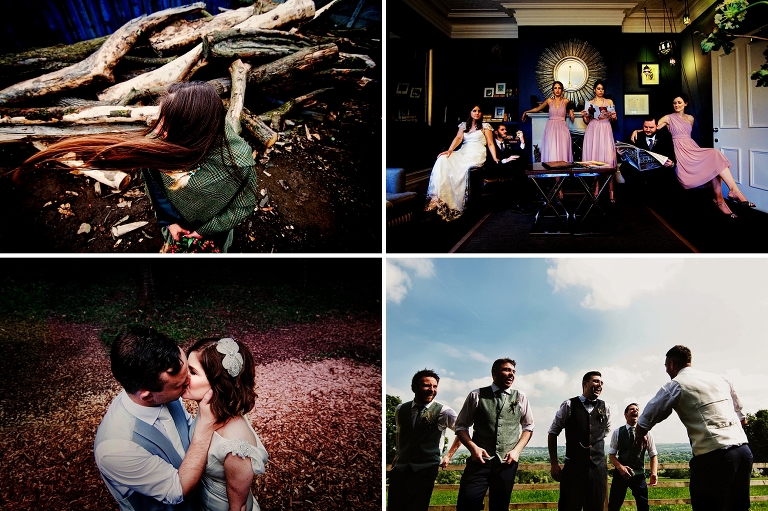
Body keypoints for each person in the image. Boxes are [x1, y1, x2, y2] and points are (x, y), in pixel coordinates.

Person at [17, 81, 259, 252]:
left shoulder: (239, 161)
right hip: (175, 221)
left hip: (213, 233)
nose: (158, 130)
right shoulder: (160, 143)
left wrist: (207, 230)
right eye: (160, 118)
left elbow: (245, 203)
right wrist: (170, 223)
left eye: (169, 123)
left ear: (191, 131)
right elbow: (154, 188)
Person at [94, 326, 218, 511]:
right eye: (180, 384)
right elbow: (178, 490)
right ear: (147, 396)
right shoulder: (115, 447)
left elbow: (185, 433)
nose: (188, 383)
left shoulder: (162, 391)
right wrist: (206, 426)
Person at [635, 345, 753, 511]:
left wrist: (639, 437)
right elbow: (743, 421)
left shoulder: (675, 386)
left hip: (714, 458)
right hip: (744, 453)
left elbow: (645, 419)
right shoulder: (720, 379)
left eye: (666, 367)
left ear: (670, 364)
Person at [633, 94, 755, 218]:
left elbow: (686, 135)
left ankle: (728, 194)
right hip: (679, 150)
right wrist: (637, 131)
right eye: (675, 103)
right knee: (714, 161)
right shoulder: (668, 118)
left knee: (715, 158)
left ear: (685, 103)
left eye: (679, 102)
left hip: (691, 147)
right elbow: (652, 128)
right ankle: (724, 199)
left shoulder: (690, 118)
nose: (677, 105)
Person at [183, 337, 268, 511]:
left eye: (192, 372)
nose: (183, 376)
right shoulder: (207, 409)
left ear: (218, 383)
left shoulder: (236, 445)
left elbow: (239, 506)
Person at [454, 358, 534, 511]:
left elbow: (529, 426)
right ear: (494, 372)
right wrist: (473, 448)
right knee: (467, 504)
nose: (511, 374)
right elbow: (461, 426)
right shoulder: (476, 395)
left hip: (506, 463)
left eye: (513, 371)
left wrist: (516, 451)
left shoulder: (520, 397)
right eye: (506, 370)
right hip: (479, 462)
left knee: (499, 507)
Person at [389, 369, 457, 511]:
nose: (431, 390)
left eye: (435, 386)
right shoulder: (401, 409)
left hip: (426, 468)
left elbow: (463, 431)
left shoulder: (444, 411)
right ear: (414, 387)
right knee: (395, 506)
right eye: (427, 386)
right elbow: (399, 433)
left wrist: (448, 456)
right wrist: (398, 453)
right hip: (401, 468)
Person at [548, 371, 611, 511]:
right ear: (585, 384)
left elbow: (605, 431)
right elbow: (553, 432)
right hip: (573, 469)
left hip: (598, 469)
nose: (599, 385)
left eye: (601, 383)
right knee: (569, 507)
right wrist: (554, 464)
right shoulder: (569, 405)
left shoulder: (605, 407)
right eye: (595, 381)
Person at [425, 105, 499, 221]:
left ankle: (460, 202)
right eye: (474, 110)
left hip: (477, 153)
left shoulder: (485, 126)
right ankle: (436, 199)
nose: (477, 113)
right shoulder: (464, 125)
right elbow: (458, 138)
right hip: (463, 151)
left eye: (479, 111)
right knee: (443, 159)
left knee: (464, 168)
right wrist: (450, 150)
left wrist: (495, 158)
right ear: (470, 112)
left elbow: (490, 143)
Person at [607, 403, 658, 511]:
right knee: (613, 506)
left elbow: (653, 454)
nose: (635, 410)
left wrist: (653, 473)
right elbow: (611, 455)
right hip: (620, 475)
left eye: (637, 409)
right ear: (625, 414)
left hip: (639, 475)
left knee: (643, 507)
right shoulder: (617, 432)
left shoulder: (647, 433)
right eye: (631, 409)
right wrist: (621, 468)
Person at [581, 81, 618, 202]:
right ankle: (596, 188)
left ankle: (611, 191)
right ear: (594, 90)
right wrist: (584, 116)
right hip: (593, 130)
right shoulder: (590, 103)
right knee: (594, 158)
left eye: (602, 89)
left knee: (608, 159)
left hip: (605, 129)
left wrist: (613, 117)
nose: (600, 91)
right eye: (598, 88)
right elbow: (586, 122)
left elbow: (614, 119)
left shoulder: (609, 102)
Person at [521, 81, 574, 163]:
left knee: (562, 148)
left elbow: (571, 109)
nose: (557, 90)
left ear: (562, 91)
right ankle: (552, 171)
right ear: (552, 90)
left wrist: (571, 111)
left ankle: (562, 172)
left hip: (562, 127)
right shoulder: (549, 101)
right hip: (551, 127)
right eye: (555, 88)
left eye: (559, 88)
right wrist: (526, 112)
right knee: (551, 148)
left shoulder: (566, 101)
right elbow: (537, 109)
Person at [490, 124, 530, 213]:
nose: (505, 131)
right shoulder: (491, 145)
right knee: (519, 171)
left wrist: (522, 140)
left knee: (520, 164)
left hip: (508, 168)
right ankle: (519, 204)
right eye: (502, 130)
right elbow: (492, 161)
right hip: (496, 168)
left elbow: (518, 154)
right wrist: (506, 160)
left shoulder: (507, 143)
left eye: (505, 129)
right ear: (496, 132)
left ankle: (520, 203)